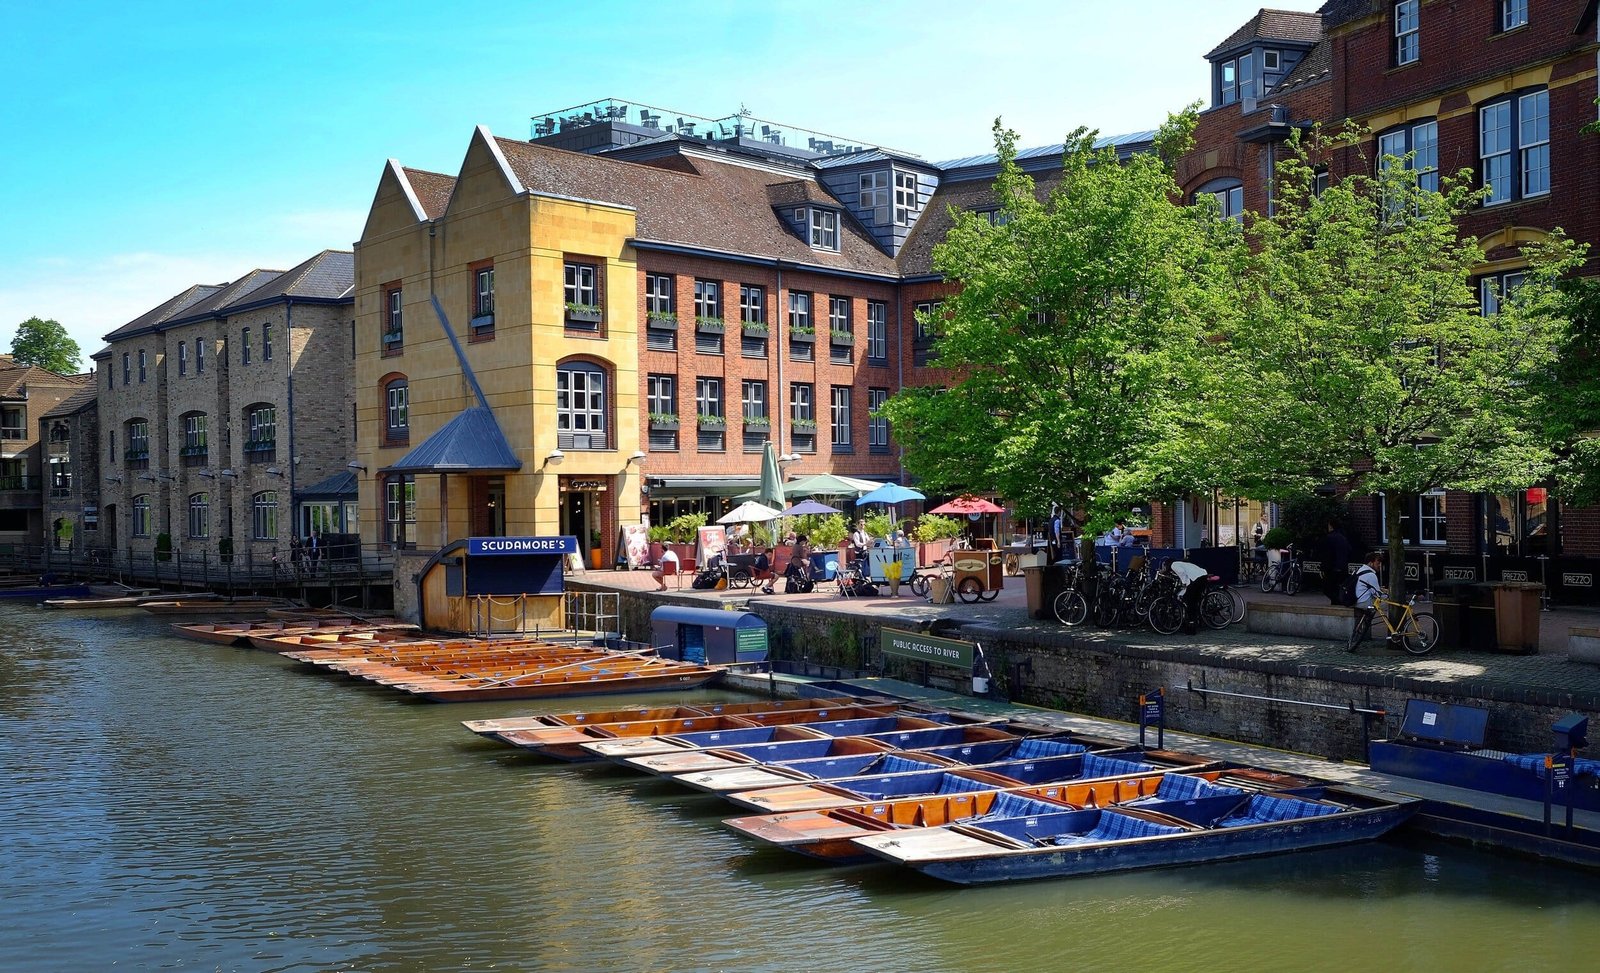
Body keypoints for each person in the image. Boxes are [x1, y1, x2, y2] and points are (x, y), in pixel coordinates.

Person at [1349, 551, 1386, 651]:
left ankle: (1358, 632)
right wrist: (1390, 595)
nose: (1379, 566)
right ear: (1371, 563)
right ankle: (1394, 631)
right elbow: (1377, 594)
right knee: (1391, 604)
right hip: (1364, 602)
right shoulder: (1371, 575)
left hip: (1356, 600)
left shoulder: (1361, 570)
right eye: (1377, 563)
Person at [1322, 519, 1352, 606]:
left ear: (1331, 526)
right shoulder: (1343, 538)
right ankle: (1337, 603)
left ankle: (1339, 602)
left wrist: (1324, 568)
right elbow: (1349, 550)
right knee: (1338, 588)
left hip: (1332, 568)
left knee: (1327, 588)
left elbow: (1327, 554)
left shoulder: (1330, 538)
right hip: (1343, 567)